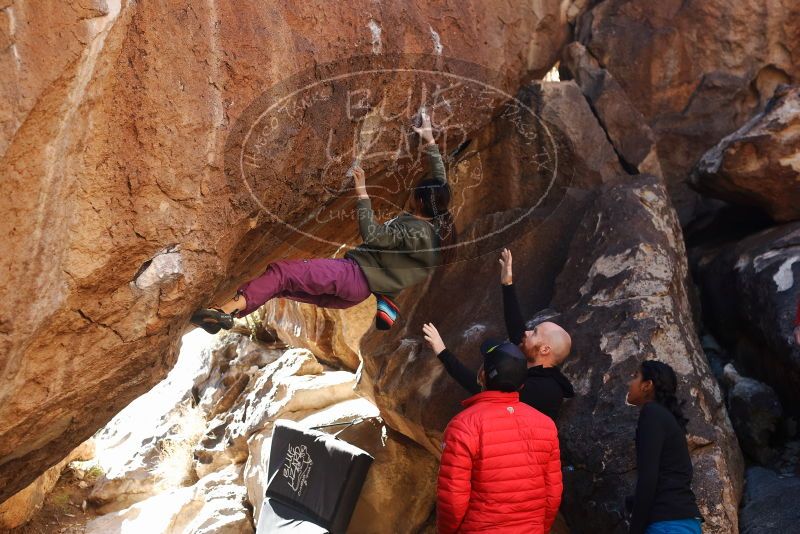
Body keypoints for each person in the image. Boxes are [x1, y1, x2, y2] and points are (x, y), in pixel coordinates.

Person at [191, 111, 454, 333]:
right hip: (355, 295)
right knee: (282, 286)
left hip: (350, 276)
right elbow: (440, 180)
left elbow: (373, 237)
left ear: (420, 202)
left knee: (282, 274)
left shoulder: (412, 228)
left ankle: (224, 311)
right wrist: (429, 139)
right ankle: (232, 312)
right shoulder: (435, 233)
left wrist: (362, 191)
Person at [422, 248, 574, 421]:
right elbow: (517, 331)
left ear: (545, 349)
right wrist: (507, 284)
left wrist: (442, 352)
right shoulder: (534, 365)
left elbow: (483, 389)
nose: (527, 331)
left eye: (535, 333)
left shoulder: (544, 389)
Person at [436, 338, 562, 533]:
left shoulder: (463, 426)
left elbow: (453, 497)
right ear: (522, 384)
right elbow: (553, 493)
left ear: (482, 376)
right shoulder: (546, 425)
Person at [625, 360, 703, 534]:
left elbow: (648, 477)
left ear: (647, 385)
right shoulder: (665, 418)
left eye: (635, 376)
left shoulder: (651, 413)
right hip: (685, 522)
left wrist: (635, 530)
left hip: (667, 525)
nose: (629, 382)